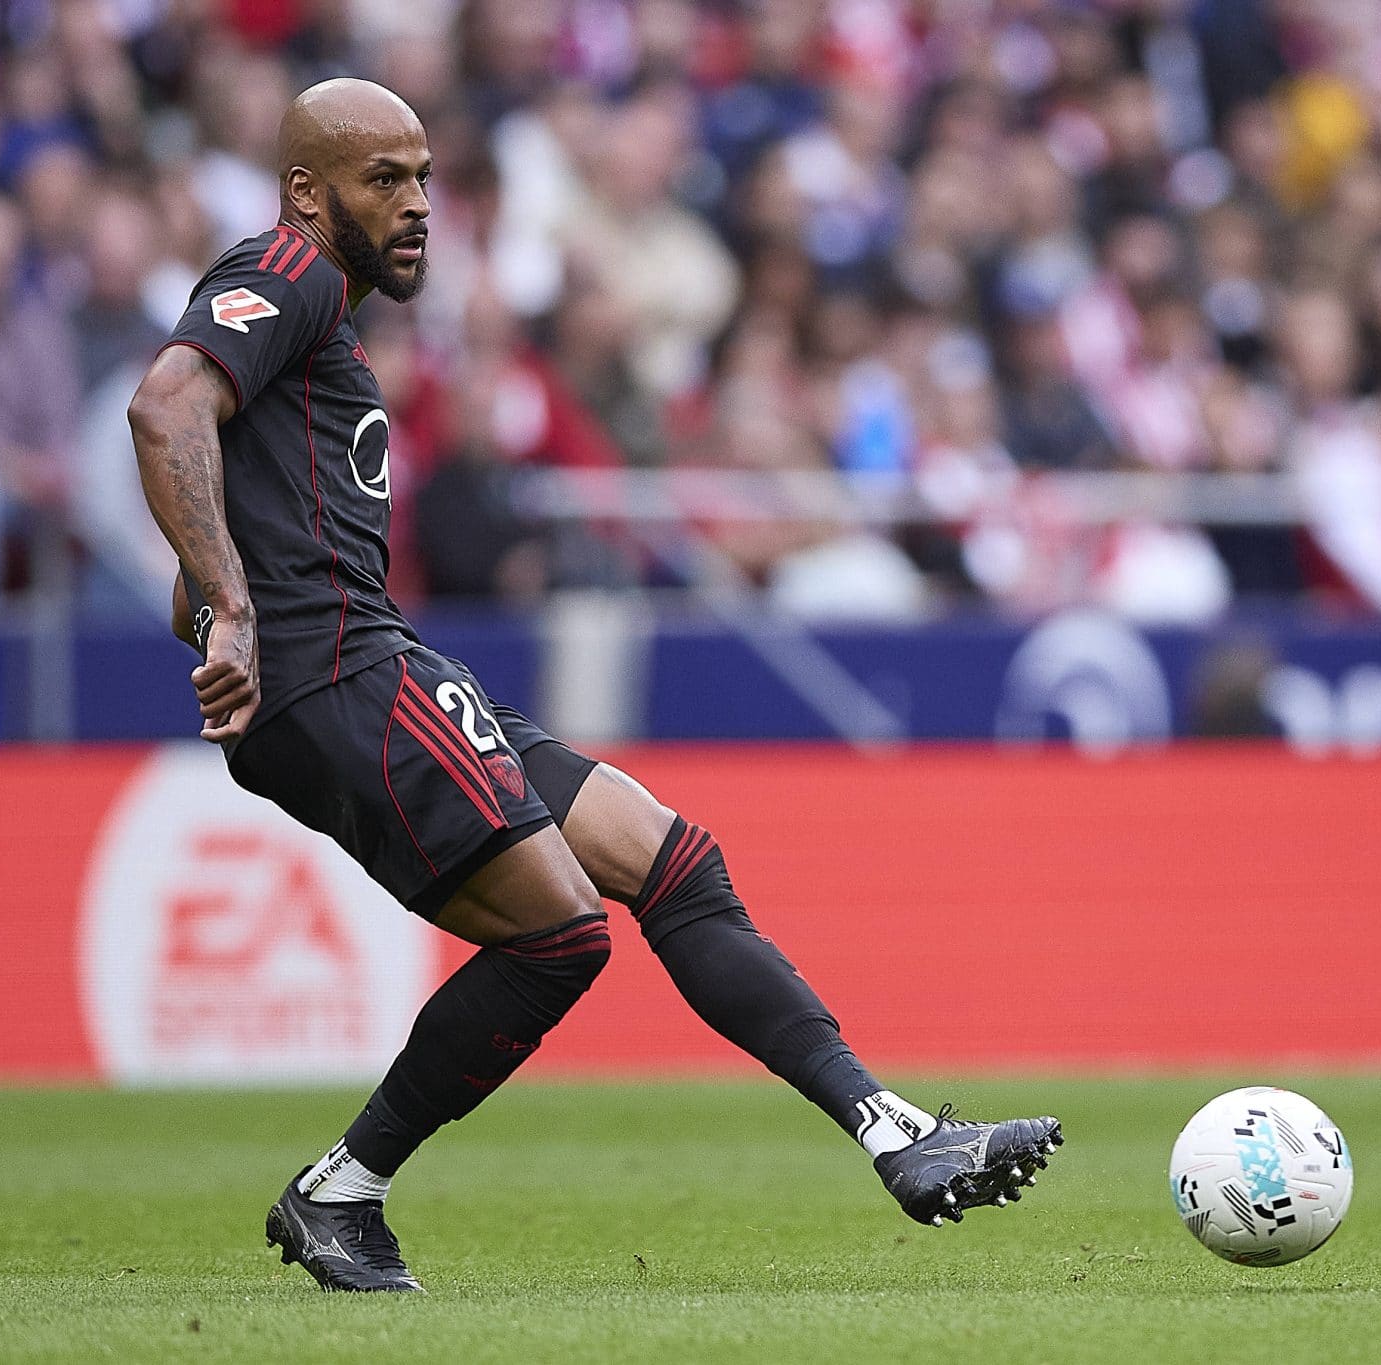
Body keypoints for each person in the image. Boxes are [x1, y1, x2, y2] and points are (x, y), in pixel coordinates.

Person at [126, 79, 1062, 1295]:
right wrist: (238, 609)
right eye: (382, 180)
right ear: (307, 192)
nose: (416, 205)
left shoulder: (321, 324)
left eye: (422, 179)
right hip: (342, 675)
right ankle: (340, 1193)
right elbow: (164, 405)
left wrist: (213, 594)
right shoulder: (287, 267)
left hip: (375, 657)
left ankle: (893, 1132)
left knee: (669, 859)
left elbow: (203, 520)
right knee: (560, 934)